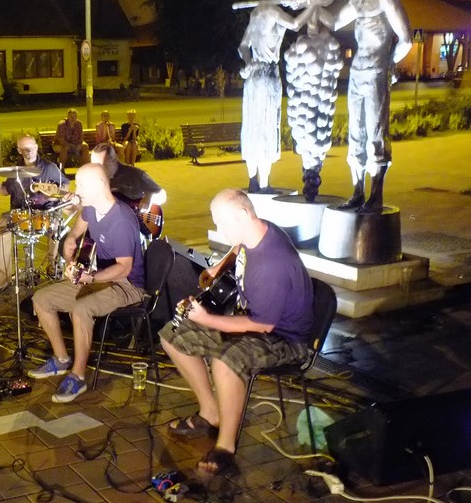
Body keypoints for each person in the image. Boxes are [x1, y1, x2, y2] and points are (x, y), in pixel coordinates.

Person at [159, 189, 313, 476]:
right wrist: (219, 267)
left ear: (242, 215)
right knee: (173, 335)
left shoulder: (272, 263)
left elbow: (262, 325)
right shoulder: (256, 229)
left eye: (221, 222)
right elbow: (238, 246)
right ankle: (210, 412)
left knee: (226, 360)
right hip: (251, 320)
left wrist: (206, 319)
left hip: (285, 338)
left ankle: (225, 447)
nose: (219, 229)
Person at [28, 164, 146, 403]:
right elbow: (77, 229)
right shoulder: (91, 209)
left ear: (100, 185)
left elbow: (124, 267)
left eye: (81, 185)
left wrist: (90, 277)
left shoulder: (121, 220)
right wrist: (70, 241)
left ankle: (78, 376)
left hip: (127, 285)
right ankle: (61, 359)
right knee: (41, 299)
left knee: (81, 308)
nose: (77, 189)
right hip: (101, 277)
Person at [331, 0, 412, 212]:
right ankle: (357, 191)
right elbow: (334, 22)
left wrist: (389, 63)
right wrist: (316, 4)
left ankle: (375, 195)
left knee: (376, 132)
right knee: (356, 130)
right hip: (357, 71)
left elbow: (406, 39)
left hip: (377, 71)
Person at [237, 0, 319, 193]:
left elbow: (243, 46)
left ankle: (253, 180)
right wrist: (313, 5)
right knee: (265, 126)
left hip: (254, 77)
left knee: (253, 126)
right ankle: (263, 184)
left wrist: (248, 62)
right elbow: (295, 24)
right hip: (268, 76)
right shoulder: (272, 11)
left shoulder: (256, 13)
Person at [91, 143, 166, 239]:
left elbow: (162, 195)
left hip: (135, 229)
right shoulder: (92, 179)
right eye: (94, 165)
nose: (97, 169)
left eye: (102, 165)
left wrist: (149, 198)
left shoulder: (134, 174)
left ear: (114, 160)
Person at [0, 134, 68, 210]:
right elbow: (6, 191)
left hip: (44, 212)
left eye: (31, 147)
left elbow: (65, 185)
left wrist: (53, 196)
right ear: (19, 150)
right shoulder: (16, 170)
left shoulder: (49, 167)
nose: (29, 151)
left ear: (36, 147)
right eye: (25, 149)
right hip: (21, 213)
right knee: (3, 219)